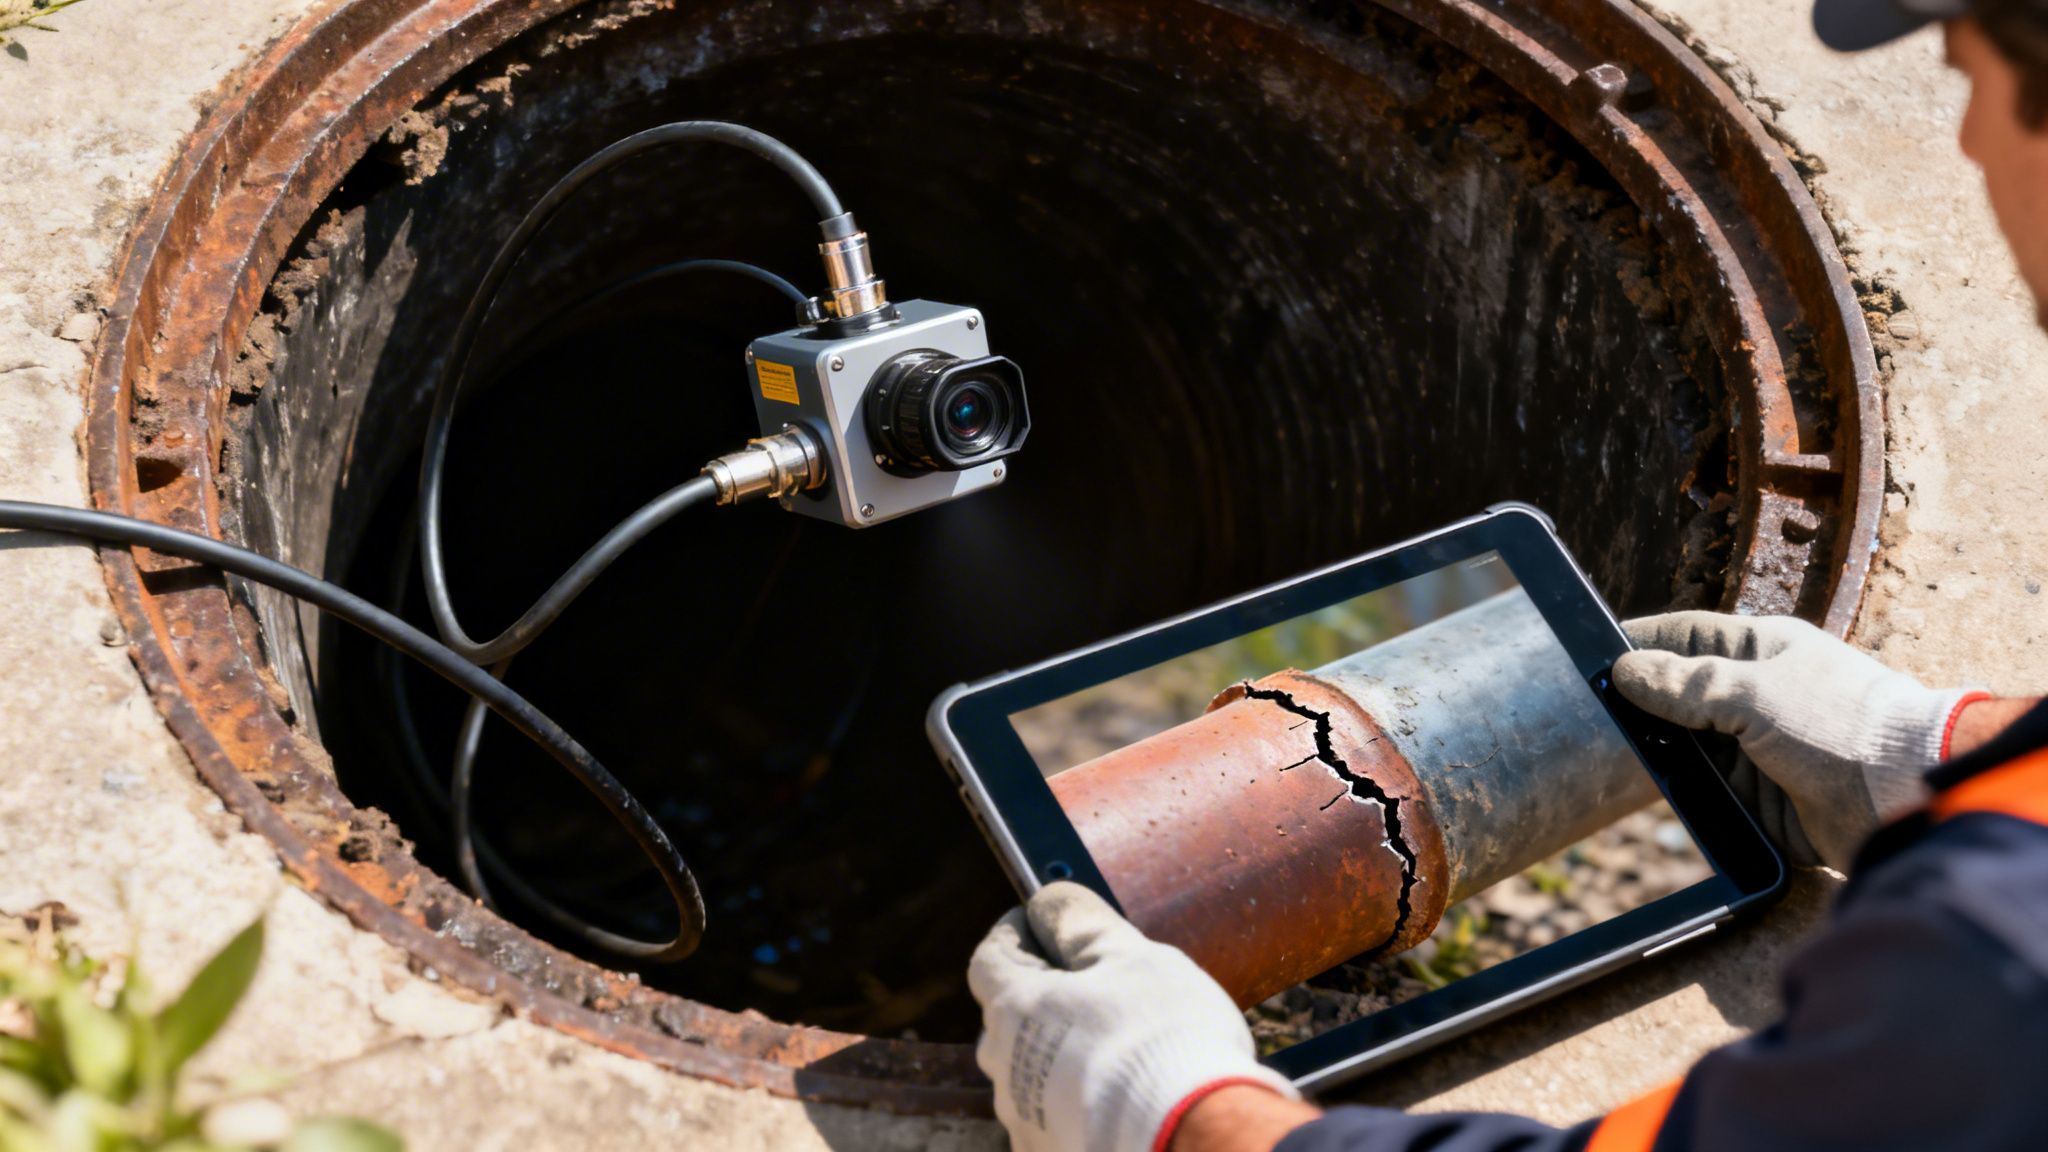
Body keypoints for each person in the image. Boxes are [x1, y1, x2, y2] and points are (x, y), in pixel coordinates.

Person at [966, 2, 2048, 1149]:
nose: (1966, 138)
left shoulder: (1986, 963)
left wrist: (1178, 1114)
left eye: (1960, 70)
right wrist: (1927, 749)